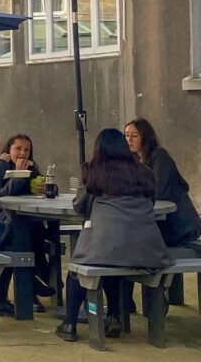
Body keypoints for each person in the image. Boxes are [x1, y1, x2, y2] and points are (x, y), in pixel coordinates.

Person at [56, 128, 172, 343]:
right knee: (112, 261)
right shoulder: (144, 172)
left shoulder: (92, 172)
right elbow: (151, 202)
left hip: (107, 245)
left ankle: (70, 324)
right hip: (147, 249)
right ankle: (114, 317)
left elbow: (80, 207)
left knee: (77, 269)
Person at [0, 133, 54, 316]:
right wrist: (18, 177)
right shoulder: (0, 168)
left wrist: (47, 187)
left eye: (27, 150)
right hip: (2, 219)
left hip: (27, 218)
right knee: (24, 234)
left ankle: (34, 282)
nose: (23, 153)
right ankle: (34, 283)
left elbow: (44, 189)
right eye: (18, 149)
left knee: (36, 231)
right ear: (8, 150)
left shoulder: (32, 168)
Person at [124, 118, 201, 247]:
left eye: (134, 136)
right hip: (163, 224)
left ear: (145, 137)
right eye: (126, 135)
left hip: (181, 226)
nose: (129, 140)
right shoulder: (136, 160)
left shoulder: (159, 156)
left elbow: (159, 192)